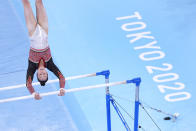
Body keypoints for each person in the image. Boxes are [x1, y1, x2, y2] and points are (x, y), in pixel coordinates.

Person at [22, 0, 66, 100]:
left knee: (26, 3)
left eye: (40, 75)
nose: (42, 73)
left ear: (36, 74)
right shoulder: (50, 64)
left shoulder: (32, 66)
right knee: (39, 2)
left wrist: (33, 93)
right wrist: (62, 88)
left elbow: (28, 84)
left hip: (33, 32)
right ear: (47, 72)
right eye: (44, 74)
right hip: (44, 30)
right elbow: (61, 77)